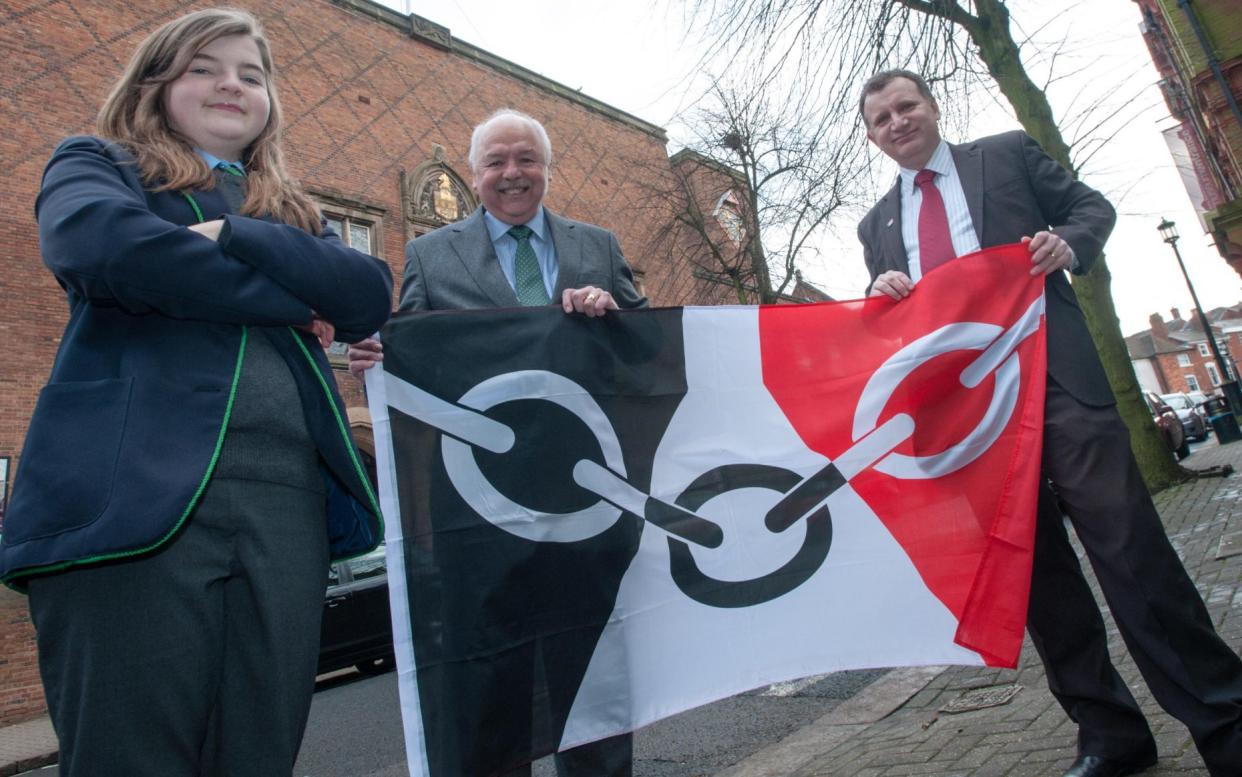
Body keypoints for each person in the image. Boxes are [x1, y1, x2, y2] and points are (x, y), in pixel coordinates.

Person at [0, 9, 393, 775]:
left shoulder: (296, 212)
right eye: (205, 67)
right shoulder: (96, 164)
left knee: (257, 753)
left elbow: (366, 291)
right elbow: (108, 249)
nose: (231, 84)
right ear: (156, 84)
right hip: (132, 497)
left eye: (252, 75)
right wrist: (291, 298)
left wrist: (239, 234)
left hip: (288, 507)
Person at [856, 68, 1242, 777]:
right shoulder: (876, 224)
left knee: (1131, 552)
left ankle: (1224, 717)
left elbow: (1089, 209)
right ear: (873, 136)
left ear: (932, 107)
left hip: (1058, 381)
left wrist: (1067, 244)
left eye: (906, 106)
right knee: (1035, 577)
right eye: (881, 119)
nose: (897, 122)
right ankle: (1108, 732)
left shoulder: (1004, 155)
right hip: (971, 422)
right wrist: (880, 295)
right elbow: (900, 336)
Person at [349, 108, 644, 776]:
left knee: (594, 687)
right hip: (479, 513)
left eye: (525, 159)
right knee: (492, 693)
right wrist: (372, 363)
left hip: (587, 505)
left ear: (546, 166)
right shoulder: (430, 254)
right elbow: (407, 358)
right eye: (496, 162)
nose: (512, 174)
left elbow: (648, 354)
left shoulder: (596, 246)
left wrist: (616, 318)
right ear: (475, 174)